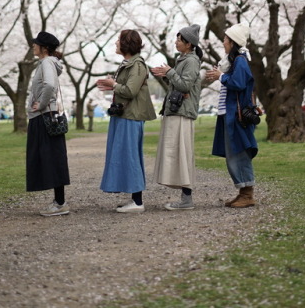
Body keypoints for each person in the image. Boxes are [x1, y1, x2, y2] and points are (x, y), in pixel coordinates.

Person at [97, 30, 156, 213]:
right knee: (124, 155)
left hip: (131, 116)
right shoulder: (129, 64)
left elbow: (130, 91)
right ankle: (134, 198)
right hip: (124, 115)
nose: (116, 43)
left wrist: (113, 84)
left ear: (127, 44)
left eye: (119, 40)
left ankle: (138, 201)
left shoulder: (137, 65)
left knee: (130, 156)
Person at [205, 22, 258, 208]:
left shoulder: (240, 61)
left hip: (236, 116)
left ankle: (247, 194)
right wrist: (219, 75)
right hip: (231, 114)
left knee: (239, 152)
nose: (223, 42)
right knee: (234, 152)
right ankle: (243, 191)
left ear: (233, 42)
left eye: (226, 39)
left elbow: (238, 83)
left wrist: (221, 76)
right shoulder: (236, 61)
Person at [152, 24, 202, 211]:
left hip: (182, 113)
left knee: (182, 154)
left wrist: (169, 72)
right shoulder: (184, 60)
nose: (176, 42)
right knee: (178, 154)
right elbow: (180, 84)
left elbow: (185, 85)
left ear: (189, 44)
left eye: (179, 39)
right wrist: (168, 74)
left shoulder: (191, 61)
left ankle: (186, 199)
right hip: (176, 111)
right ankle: (185, 198)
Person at [26, 31, 70, 216]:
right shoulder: (48, 62)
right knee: (53, 158)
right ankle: (59, 201)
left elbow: (50, 85)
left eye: (36, 44)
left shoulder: (46, 62)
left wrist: (41, 104)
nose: (33, 46)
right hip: (45, 117)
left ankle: (60, 203)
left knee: (51, 159)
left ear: (44, 48)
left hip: (44, 118)